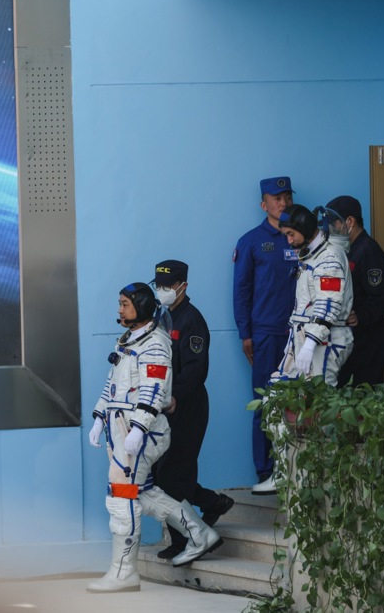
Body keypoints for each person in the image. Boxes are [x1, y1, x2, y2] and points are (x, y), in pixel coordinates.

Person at [87, 282, 222, 593]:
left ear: (143, 308)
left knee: (121, 497)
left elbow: (154, 388)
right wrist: (99, 416)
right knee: (143, 493)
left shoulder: (155, 344)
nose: (120, 310)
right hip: (122, 427)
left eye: (125, 304)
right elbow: (113, 384)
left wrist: (139, 428)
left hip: (140, 430)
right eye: (120, 304)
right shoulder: (129, 340)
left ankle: (124, 572)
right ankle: (200, 534)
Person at [254, 204, 355, 494]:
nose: (288, 240)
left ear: (306, 230)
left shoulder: (330, 257)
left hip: (324, 340)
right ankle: (284, 470)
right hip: (303, 338)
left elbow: (328, 303)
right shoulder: (311, 253)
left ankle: (327, 475)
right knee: (275, 398)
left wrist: (311, 342)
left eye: (291, 234)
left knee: (320, 409)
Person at [150, 260, 234, 560]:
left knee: (173, 474)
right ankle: (209, 507)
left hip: (187, 405)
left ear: (183, 286)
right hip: (164, 406)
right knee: (164, 474)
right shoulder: (162, 317)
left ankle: (189, 532)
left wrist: (175, 396)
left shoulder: (191, 320)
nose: (162, 290)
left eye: (168, 285)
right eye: (159, 285)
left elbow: (196, 369)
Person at [232, 176, 299, 491]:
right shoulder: (252, 241)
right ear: (264, 204)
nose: (283, 203)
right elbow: (241, 290)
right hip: (266, 333)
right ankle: (265, 471)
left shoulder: (302, 237)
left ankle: (296, 468)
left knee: (299, 403)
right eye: (276, 198)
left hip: (302, 334)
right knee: (264, 403)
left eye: (287, 197)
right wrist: (246, 333)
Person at [326, 196, 384, 387]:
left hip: (368, 339)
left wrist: (361, 316)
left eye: (335, 224)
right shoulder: (348, 249)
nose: (331, 229)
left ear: (350, 221)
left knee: (363, 392)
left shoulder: (368, 250)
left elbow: (382, 294)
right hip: (352, 338)